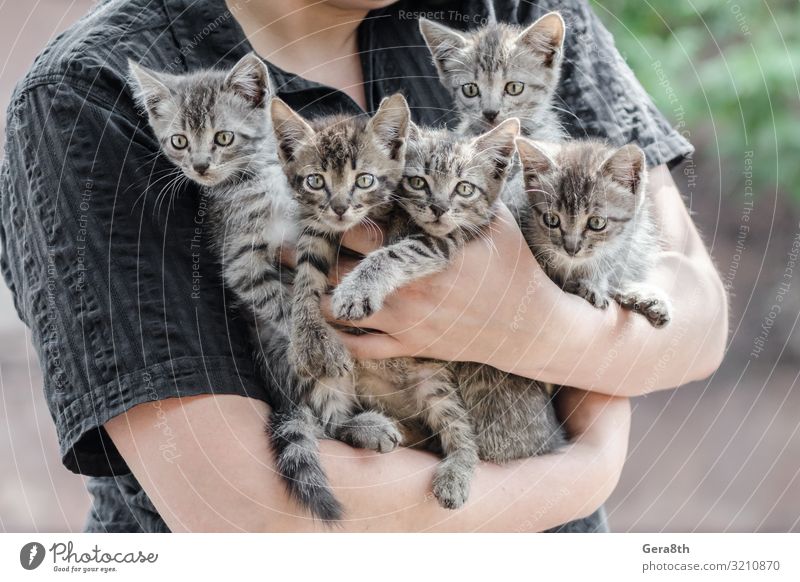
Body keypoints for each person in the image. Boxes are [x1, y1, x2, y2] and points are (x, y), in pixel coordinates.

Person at [0, 0, 726, 532]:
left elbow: (697, 312)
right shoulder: (86, 99)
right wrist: (582, 473)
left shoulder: (511, 16)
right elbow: (248, 510)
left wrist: (528, 320)